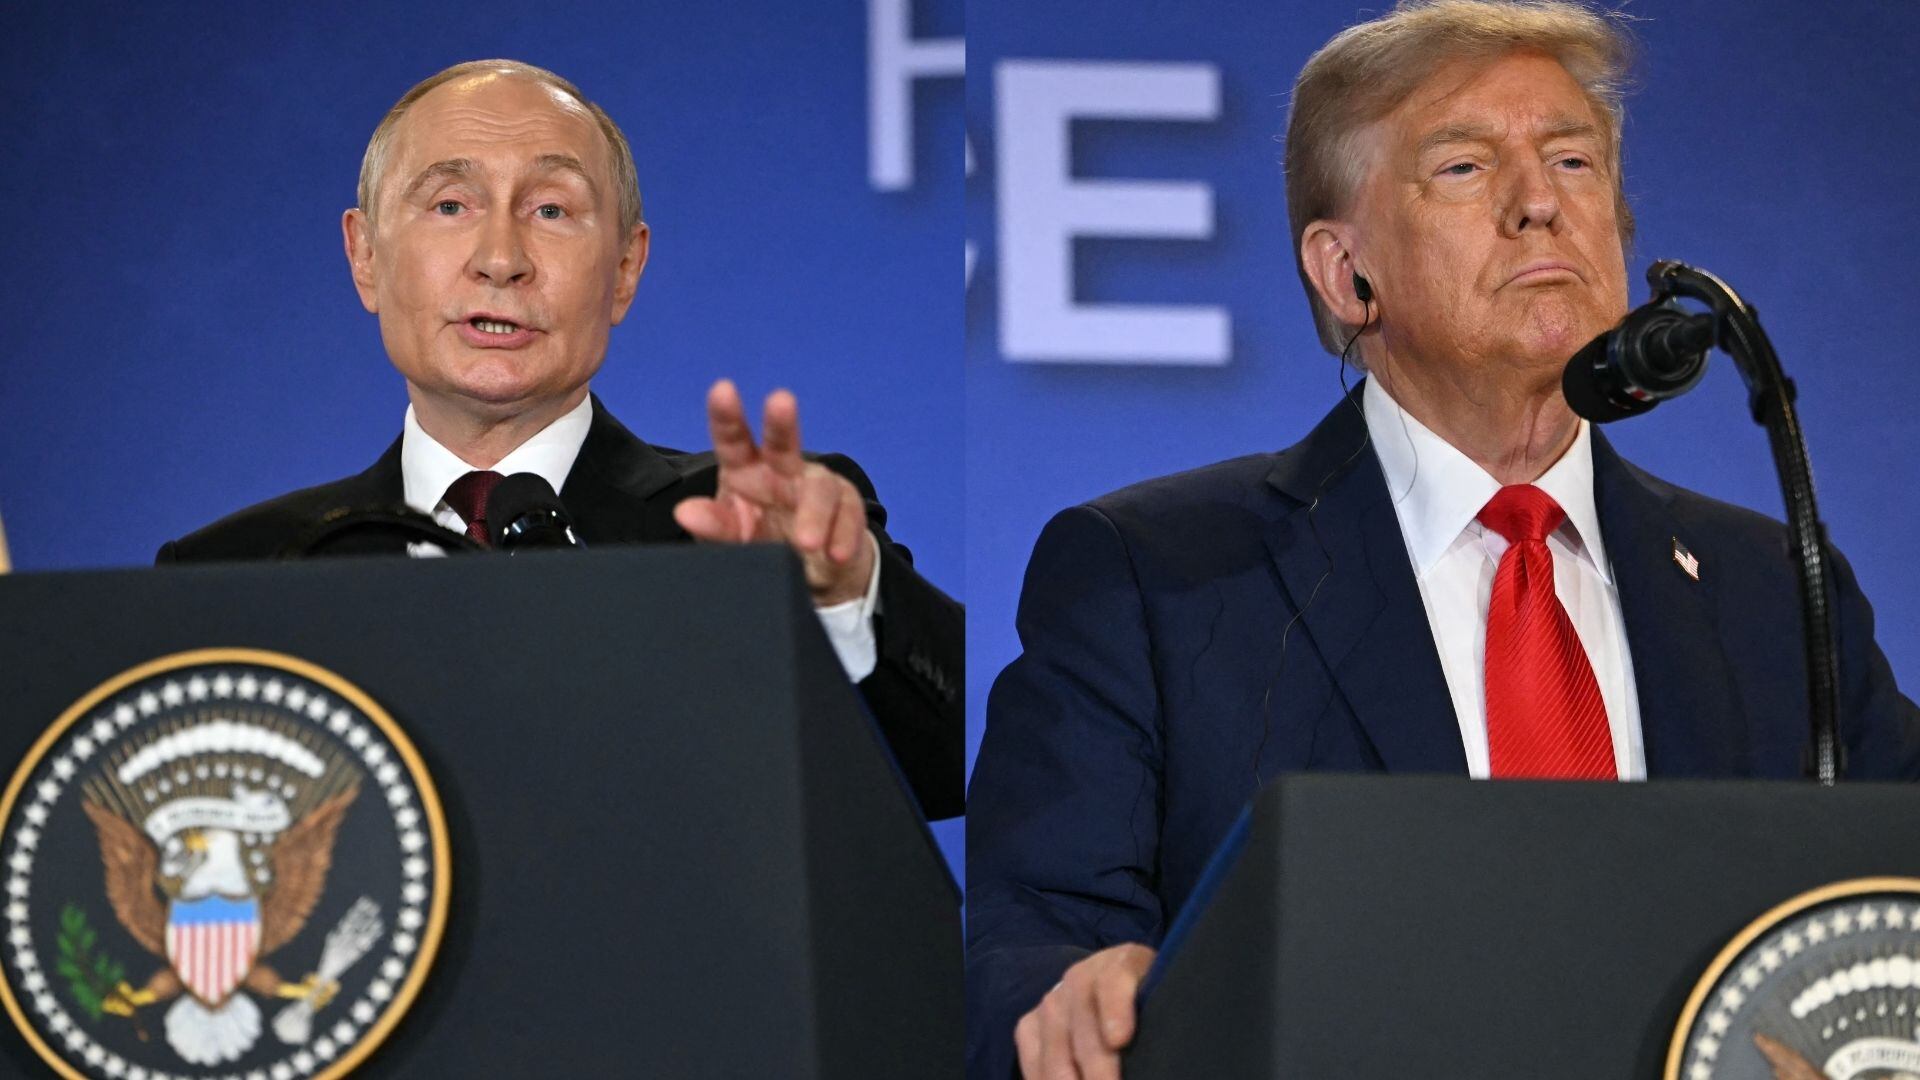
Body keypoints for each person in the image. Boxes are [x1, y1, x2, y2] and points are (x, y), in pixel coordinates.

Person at [964, 1, 1920, 1076]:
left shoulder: (1772, 591)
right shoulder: (1153, 578)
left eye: (1574, 160)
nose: (1540, 204)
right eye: (1464, 168)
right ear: (1346, 274)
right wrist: (1081, 1001)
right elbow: (1030, 954)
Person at [155, 60, 963, 821]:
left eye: (550, 210)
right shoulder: (233, 574)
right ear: (365, 256)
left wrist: (840, 595)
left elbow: (956, 767)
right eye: (450, 205)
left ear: (625, 269)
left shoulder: (750, 535)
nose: (500, 260)